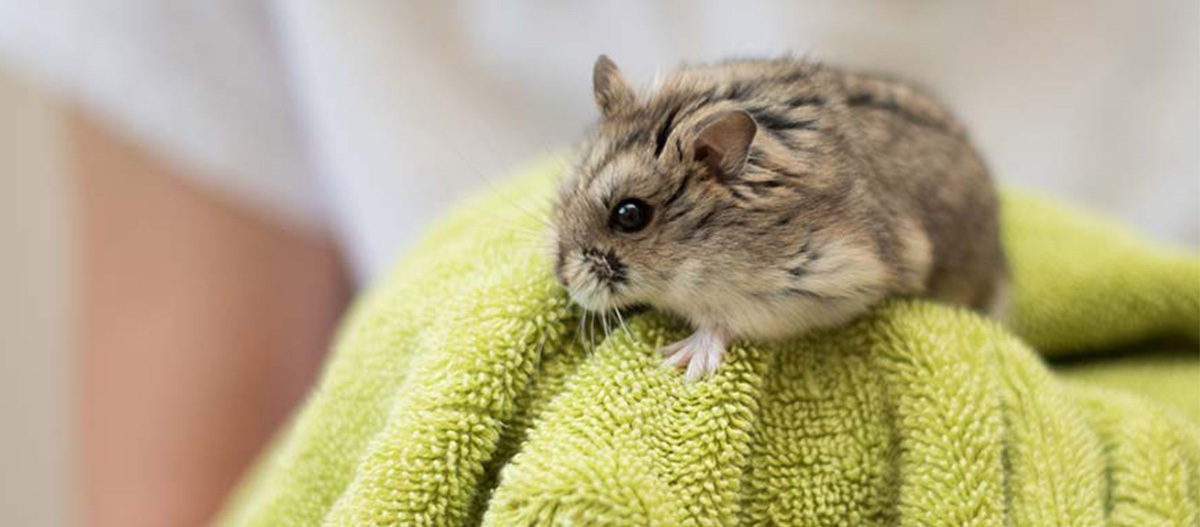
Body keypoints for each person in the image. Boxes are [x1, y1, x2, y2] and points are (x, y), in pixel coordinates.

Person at [0, 2, 1195, 526]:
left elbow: (879, 273)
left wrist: (728, 325)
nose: (581, 263)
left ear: (720, 170)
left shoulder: (801, 217)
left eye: (625, 225)